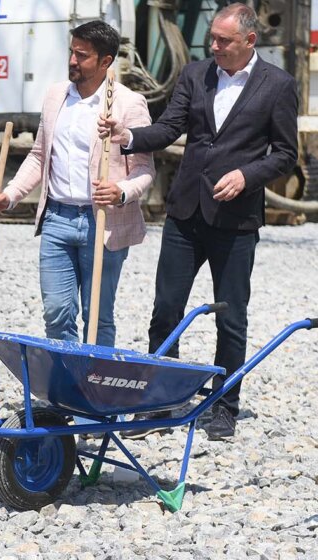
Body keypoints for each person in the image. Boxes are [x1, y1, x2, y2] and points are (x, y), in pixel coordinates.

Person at [99, 3, 298, 440]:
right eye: (212, 37)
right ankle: (159, 402)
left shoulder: (279, 85)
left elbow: (285, 154)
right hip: (186, 213)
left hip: (236, 221)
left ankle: (224, 405)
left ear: (250, 40)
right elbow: (169, 128)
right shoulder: (194, 75)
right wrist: (128, 136)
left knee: (230, 318)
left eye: (223, 40)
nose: (214, 46)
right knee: (165, 310)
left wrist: (248, 176)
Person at [0, 21, 154, 347]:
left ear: (106, 61)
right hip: (57, 219)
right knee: (57, 311)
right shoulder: (55, 96)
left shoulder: (128, 103)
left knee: (97, 316)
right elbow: (39, 156)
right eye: (72, 52)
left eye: (83, 55)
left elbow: (145, 170)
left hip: (103, 222)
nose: (73, 61)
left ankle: (95, 388)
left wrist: (121, 192)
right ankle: (65, 387)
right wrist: (9, 195)